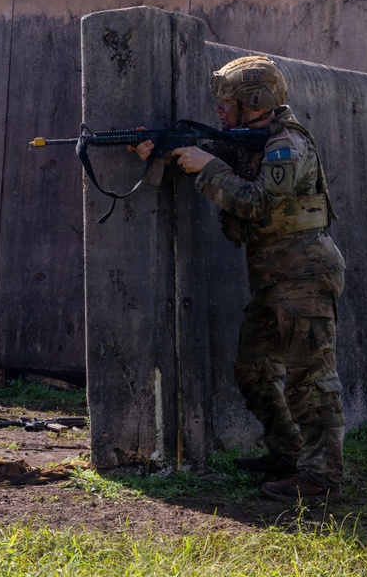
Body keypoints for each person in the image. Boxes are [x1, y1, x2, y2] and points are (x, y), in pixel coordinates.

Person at [133, 55, 346, 502]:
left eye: (227, 102)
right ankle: (290, 455)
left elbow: (257, 202)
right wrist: (160, 149)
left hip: (304, 273)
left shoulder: (287, 145)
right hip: (273, 276)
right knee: (253, 370)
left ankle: (321, 476)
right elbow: (215, 156)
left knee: (310, 376)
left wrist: (205, 166)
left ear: (254, 103)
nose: (220, 110)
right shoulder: (250, 141)